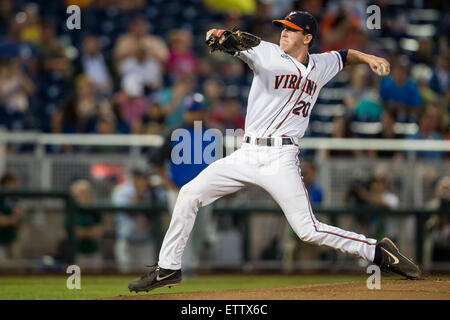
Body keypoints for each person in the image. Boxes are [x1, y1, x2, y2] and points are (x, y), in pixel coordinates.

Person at [128, 11, 421, 293]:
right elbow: (235, 42)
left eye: (290, 29)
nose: (283, 32)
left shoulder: (322, 64)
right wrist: (220, 36)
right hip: (246, 153)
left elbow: (344, 56)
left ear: (307, 37)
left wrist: (369, 57)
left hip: (280, 158)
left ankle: (376, 252)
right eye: (282, 27)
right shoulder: (266, 51)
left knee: (307, 230)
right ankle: (169, 268)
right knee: (188, 194)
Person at [148, 93, 218, 274]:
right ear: (186, 112)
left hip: (205, 192)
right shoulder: (174, 133)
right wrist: (166, 182)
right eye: (193, 111)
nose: (196, 114)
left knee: (200, 230)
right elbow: (155, 160)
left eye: (200, 111)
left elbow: (222, 164)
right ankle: (183, 268)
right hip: (180, 191)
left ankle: (190, 265)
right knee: (183, 229)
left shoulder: (213, 134)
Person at [112, 168, 165, 273]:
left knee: (148, 275)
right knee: (124, 275)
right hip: (126, 241)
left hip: (146, 242)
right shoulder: (121, 190)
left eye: (144, 178)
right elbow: (129, 213)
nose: (142, 181)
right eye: (138, 178)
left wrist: (151, 192)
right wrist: (139, 193)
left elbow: (163, 206)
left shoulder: (153, 191)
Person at [69, 180, 103, 272]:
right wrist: (88, 232)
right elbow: (71, 233)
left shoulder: (94, 211)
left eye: (85, 193)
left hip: (93, 253)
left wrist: (82, 231)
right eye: (80, 193)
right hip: (76, 254)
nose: (83, 196)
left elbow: (98, 232)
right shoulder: (72, 211)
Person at [0, 172, 24, 262]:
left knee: (15, 267)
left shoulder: (15, 198)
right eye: (14, 183)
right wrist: (11, 220)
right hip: (1, 239)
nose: (17, 185)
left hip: (12, 238)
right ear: (7, 182)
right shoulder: (1, 197)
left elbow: (19, 220)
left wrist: (14, 219)